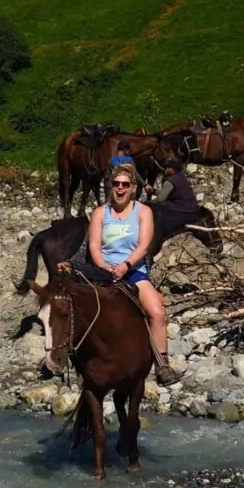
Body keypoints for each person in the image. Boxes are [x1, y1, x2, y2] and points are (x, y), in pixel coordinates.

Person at [87, 156, 175, 385]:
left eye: (125, 184)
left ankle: (162, 365)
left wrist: (125, 265)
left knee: (156, 313)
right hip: (105, 269)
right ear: (110, 186)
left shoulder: (143, 212)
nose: (120, 188)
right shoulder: (99, 213)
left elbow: (144, 244)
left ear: (133, 188)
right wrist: (103, 266)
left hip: (134, 270)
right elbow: (94, 245)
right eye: (116, 184)